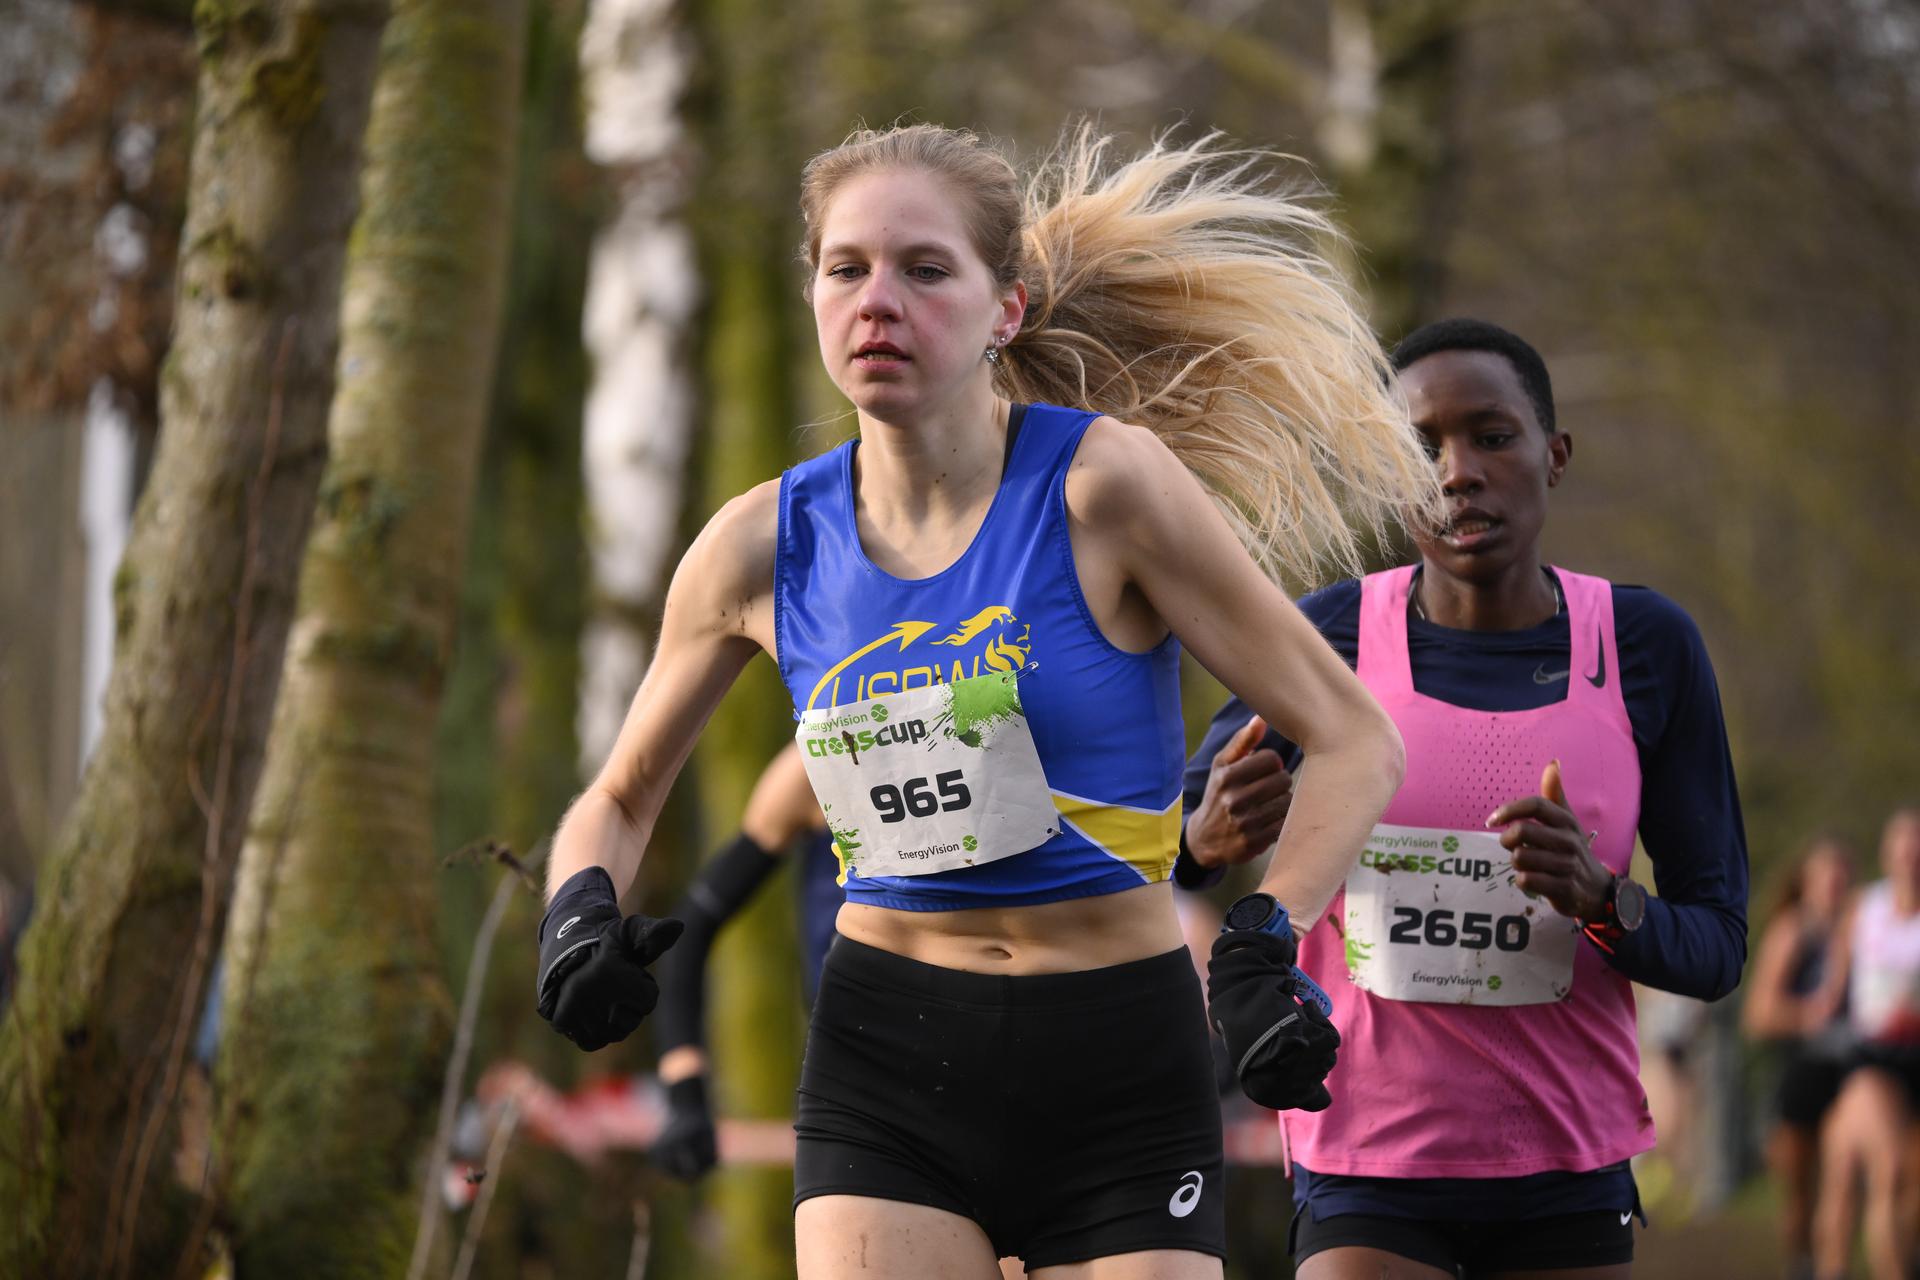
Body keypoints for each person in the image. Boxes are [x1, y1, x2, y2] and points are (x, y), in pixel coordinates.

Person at [531, 121, 1437, 1279]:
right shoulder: (759, 547)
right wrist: (576, 911)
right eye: (844, 268)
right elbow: (619, 791)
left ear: (1004, 307)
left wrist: (1265, 938)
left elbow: (1355, 736)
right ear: (809, 292)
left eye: (924, 269)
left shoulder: (1106, 488)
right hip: (885, 1061)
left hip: (1118, 1057)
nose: (877, 302)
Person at [1179, 318, 1750, 1278]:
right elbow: (1160, 853)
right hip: (1364, 1161)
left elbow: (1718, 946)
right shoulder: (1325, 636)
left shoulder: (1646, 646)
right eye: (1421, 446)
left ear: (1554, 456)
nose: (1457, 472)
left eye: (1492, 436)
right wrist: (1208, 833)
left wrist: (1601, 902)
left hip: (1569, 1166)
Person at [646, 742, 834, 1180]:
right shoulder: (815, 765)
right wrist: (685, 1096)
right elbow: (688, 932)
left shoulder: (997, 718)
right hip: (852, 1073)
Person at [1814, 809, 1920, 1280]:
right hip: (1873, 1058)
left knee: (1903, 1183)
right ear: (1889, 854)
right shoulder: (1865, 909)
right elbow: (1832, 994)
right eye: (1904, 847)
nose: (1911, 858)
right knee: (1886, 1167)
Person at [1743, 837, 1854, 1278]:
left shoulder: (1858, 927)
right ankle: (1801, 1265)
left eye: (1841, 876)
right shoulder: (1793, 931)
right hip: (1799, 1074)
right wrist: (1809, 1015)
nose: (1834, 885)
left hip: (1849, 1073)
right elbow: (1758, 1014)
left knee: (1842, 1184)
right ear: (1807, 881)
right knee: (1800, 1195)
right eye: (1826, 876)